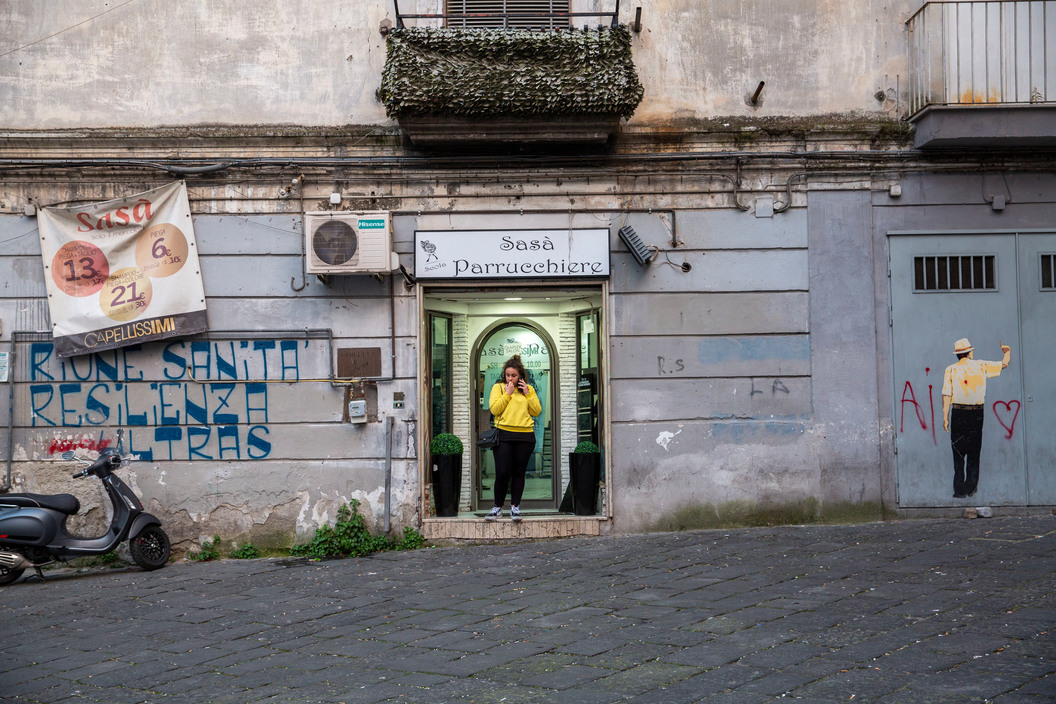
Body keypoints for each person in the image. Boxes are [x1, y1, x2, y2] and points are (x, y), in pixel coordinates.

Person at [941, 337, 1011, 499]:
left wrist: (945, 417)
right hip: (977, 413)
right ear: (969, 352)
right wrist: (1007, 352)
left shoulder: (950, 369)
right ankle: (971, 488)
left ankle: (959, 489)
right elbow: (1004, 364)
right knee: (974, 452)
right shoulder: (980, 366)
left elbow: (946, 394)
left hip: (958, 412)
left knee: (957, 451)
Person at [484, 355, 541, 522]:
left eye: (513, 375)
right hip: (504, 435)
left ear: (520, 375)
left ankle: (515, 508)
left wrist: (528, 394)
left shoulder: (528, 389)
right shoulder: (499, 388)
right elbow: (494, 410)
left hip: (525, 436)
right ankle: (497, 508)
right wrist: (507, 394)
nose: (510, 378)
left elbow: (537, 411)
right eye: (508, 375)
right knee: (502, 472)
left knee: (518, 473)